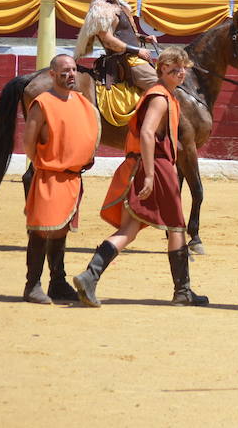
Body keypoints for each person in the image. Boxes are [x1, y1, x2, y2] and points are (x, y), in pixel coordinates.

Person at [72, 46, 208, 308]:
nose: (180, 73)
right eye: (174, 69)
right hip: (157, 167)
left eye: (183, 68)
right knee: (177, 227)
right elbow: (147, 132)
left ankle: (90, 276)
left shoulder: (160, 94)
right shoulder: (160, 97)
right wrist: (150, 174)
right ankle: (183, 291)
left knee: (129, 230)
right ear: (162, 69)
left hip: (144, 165)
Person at [20, 52, 99, 305]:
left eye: (73, 70)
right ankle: (32, 285)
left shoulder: (82, 101)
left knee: (60, 230)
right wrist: (46, 164)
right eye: (64, 71)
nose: (71, 74)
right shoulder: (42, 102)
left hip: (73, 178)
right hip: (50, 176)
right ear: (53, 74)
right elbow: (29, 144)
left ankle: (57, 282)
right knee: (41, 230)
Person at [76, 0, 159, 97]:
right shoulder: (100, 11)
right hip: (122, 61)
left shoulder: (123, 7)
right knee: (160, 86)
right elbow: (108, 41)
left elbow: (126, 35)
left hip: (134, 58)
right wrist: (138, 51)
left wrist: (144, 38)